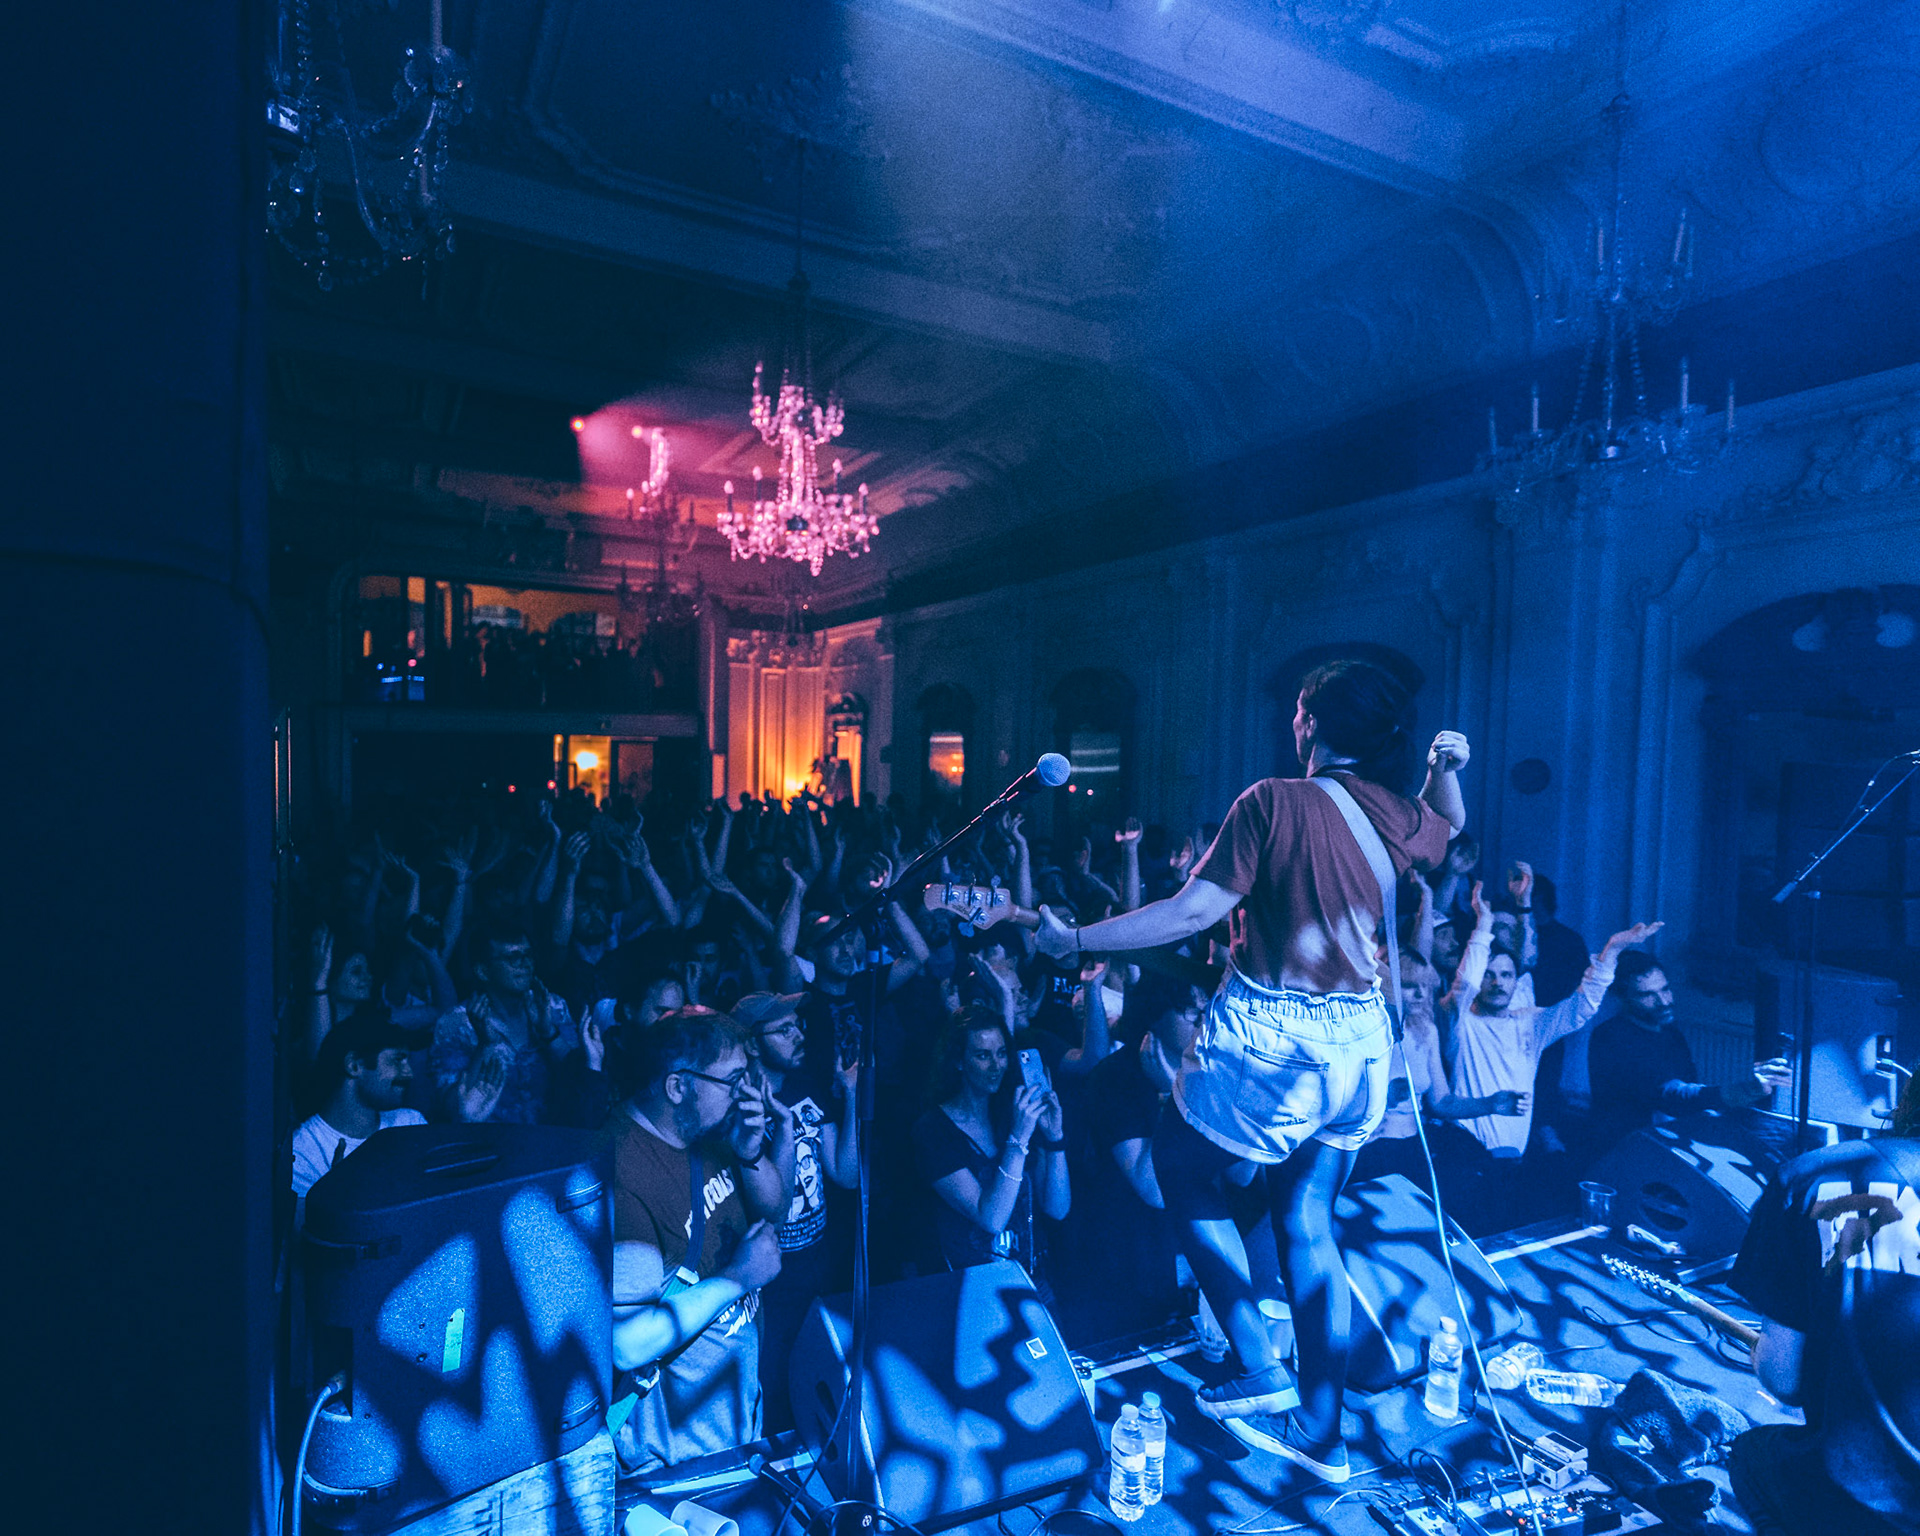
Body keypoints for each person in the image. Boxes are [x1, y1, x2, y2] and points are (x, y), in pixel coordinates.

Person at [1037, 658, 1467, 1482]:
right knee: (1307, 1217)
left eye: (1301, 709)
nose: (1294, 721)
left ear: (1311, 723)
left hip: (1279, 1035)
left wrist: (1076, 939)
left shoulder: (1273, 801)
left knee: (1178, 1164)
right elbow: (1446, 828)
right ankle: (1323, 1430)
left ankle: (1261, 1365)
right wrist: (1445, 769)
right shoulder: (1395, 809)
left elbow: (1194, 910)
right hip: (1361, 1045)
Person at [1726, 1069, 1920, 1535]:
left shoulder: (1812, 1175)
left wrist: (1764, 1353)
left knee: (1751, 1456)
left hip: (1862, 1492)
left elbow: (1784, 1381)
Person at [605, 1005, 793, 1475]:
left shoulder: (707, 1131)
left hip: (732, 1427)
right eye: (733, 1081)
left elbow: (776, 1213)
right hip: (673, 1456)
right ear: (678, 1086)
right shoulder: (623, 1170)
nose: (745, 1093)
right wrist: (739, 1278)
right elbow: (629, 1342)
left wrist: (751, 1153)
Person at [737, 990, 858, 1434]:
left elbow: (845, 1173)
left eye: (798, 1025)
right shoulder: (741, 1109)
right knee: (774, 1391)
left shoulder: (806, 1089)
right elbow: (773, 1206)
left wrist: (852, 1096)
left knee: (820, 1384)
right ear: (751, 1044)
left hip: (817, 1265)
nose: (798, 1035)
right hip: (771, 1280)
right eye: (784, 1029)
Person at [912, 1007, 1070, 1288]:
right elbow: (991, 1218)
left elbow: (1057, 1208)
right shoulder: (933, 1130)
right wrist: (1018, 1139)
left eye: (1001, 1053)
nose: (997, 1066)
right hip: (976, 1288)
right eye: (983, 1055)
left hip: (1034, 1280)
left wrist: (1054, 1138)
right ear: (959, 1061)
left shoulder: (1011, 1113)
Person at [1584, 951, 1793, 1159]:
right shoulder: (1611, 1037)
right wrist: (1747, 1089)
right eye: (1647, 995)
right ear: (1623, 998)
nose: (1663, 1001)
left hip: (1664, 1138)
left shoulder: (1669, 1031)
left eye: (1665, 989)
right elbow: (1670, 1095)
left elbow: (1685, 1090)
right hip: (1626, 1149)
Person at [431, 927, 577, 1124]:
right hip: (489, 1139)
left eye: (528, 955)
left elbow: (581, 1082)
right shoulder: (456, 1023)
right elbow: (452, 1111)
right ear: (483, 971)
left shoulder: (552, 1007)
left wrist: (548, 1033)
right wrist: (485, 1045)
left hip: (553, 1135)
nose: (525, 963)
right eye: (513, 958)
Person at [291, 1007, 427, 1201]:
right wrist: (337, 1198)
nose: (409, 1073)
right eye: (398, 1060)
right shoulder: (303, 1152)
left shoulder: (410, 1123)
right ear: (354, 1065)